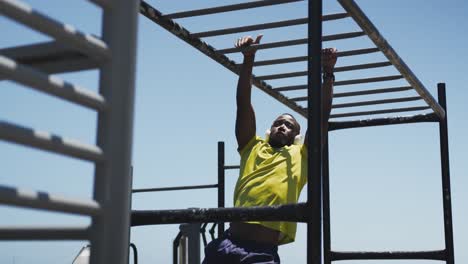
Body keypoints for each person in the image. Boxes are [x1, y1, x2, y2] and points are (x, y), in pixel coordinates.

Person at [202, 35, 337, 264]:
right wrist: (248, 58)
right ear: (270, 129)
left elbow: (321, 116)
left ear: (296, 136)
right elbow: (243, 102)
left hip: (260, 253)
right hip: (226, 245)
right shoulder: (251, 147)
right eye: (278, 122)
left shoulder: (302, 155)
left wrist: (328, 74)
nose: (283, 126)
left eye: (289, 125)